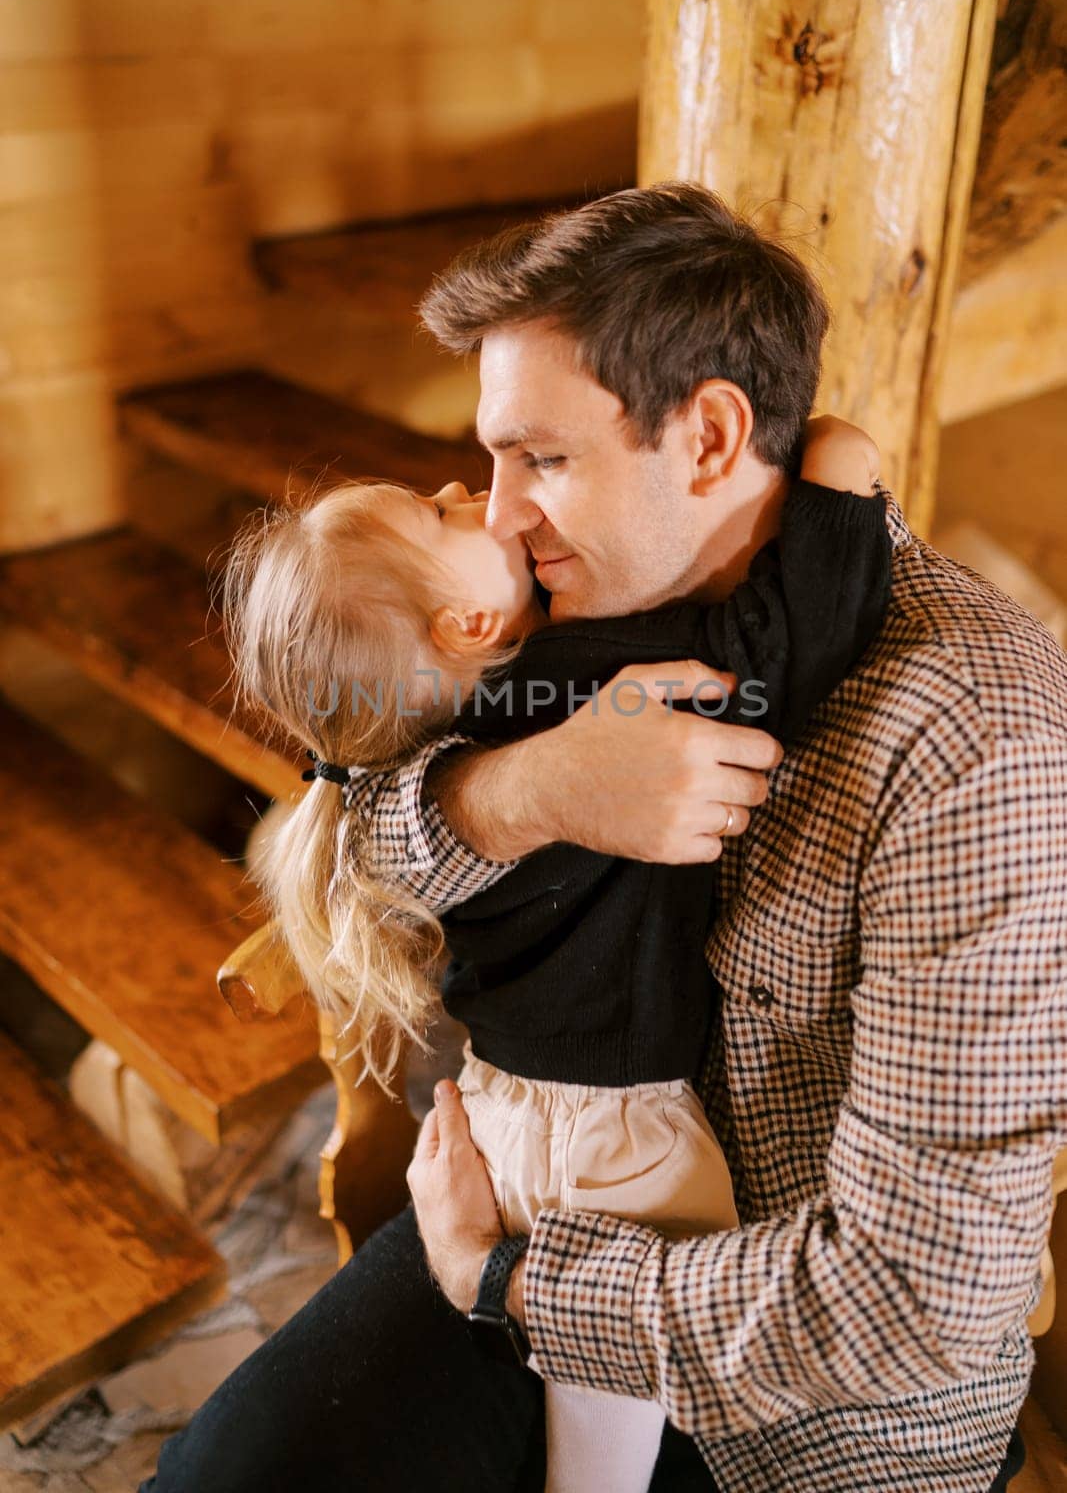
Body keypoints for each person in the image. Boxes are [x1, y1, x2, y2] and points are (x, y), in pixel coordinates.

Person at [141, 183, 1062, 1492]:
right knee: (226, 1480)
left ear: (706, 438)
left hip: (800, 1396)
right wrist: (530, 793)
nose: (500, 509)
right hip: (541, 1172)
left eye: (542, 457)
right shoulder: (549, 609)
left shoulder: (974, 738)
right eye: (492, 457)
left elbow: (913, 1303)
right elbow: (343, 817)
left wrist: (516, 1284)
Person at [220, 386, 890, 1488]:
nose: (464, 495)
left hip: (507, 1114)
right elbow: (776, 652)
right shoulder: (572, 686)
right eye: (440, 516)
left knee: (563, 1403)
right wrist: (840, 484)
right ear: (467, 626)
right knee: (607, 1424)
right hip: (613, 1139)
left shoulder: (424, 736)